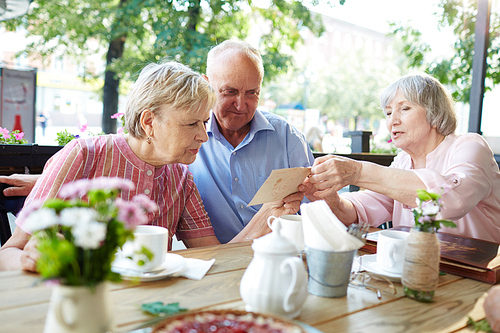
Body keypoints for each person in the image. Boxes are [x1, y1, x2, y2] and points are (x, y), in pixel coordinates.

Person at [0, 61, 302, 271]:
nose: (203, 136)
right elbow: (9, 254)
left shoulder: (181, 177)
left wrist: (268, 214)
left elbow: (211, 258)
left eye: (204, 123)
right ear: (149, 122)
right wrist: (33, 259)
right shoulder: (83, 155)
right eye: (191, 124)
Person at [302, 73, 500, 243]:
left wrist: (358, 172)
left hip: (477, 276)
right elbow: (357, 211)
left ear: (435, 112)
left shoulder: (470, 145)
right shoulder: (403, 161)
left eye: (404, 108)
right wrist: (330, 199)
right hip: (413, 268)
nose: (392, 121)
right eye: (388, 112)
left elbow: (448, 199)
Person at [188, 40, 314, 243]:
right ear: (207, 85)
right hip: (216, 266)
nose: (240, 105)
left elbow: (314, 213)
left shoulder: (287, 138)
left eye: (251, 93)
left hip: (281, 258)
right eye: (230, 92)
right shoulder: (188, 140)